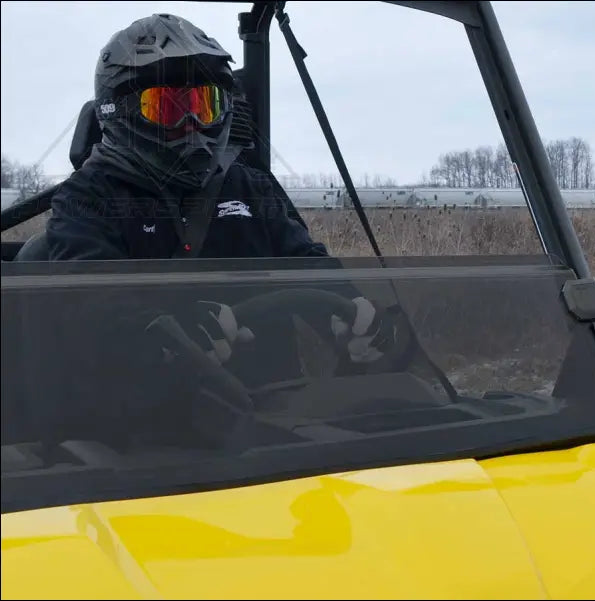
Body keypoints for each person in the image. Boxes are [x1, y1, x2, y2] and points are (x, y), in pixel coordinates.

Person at [46, 13, 395, 379]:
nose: (192, 125)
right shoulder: (86, 199)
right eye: (169, 109)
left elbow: (307, 265)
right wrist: (161, 336)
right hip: (149, 420)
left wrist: (355, 316)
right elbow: (89, 308)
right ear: (119, 112)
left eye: (204, 105)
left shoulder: (250, 187)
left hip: (279, 417)